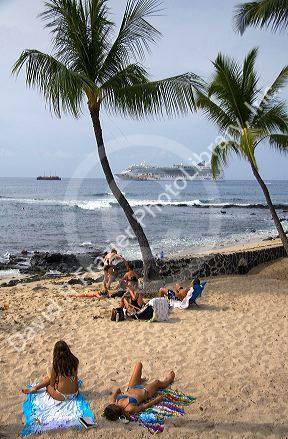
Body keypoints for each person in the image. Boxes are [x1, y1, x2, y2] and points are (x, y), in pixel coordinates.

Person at [103, 362, 175, 420]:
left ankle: (140, 381)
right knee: (157, 382)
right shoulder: (129, 408)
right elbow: (145, 406)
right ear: (118, 411)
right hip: (145, 392)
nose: (116, 405)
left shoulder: (114, 402)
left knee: (138, 364)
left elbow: (118, 390)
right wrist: (157, 400)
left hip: (132, 387)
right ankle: (168, 381)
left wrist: (114, 397)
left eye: (113, 405)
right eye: (116, 406)